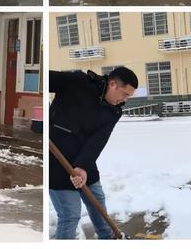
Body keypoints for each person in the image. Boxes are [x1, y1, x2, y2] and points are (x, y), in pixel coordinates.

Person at [49, 66, 138, 239]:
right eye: (125, 94)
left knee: (97, 201)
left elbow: (98, 140)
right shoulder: (77, 82)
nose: (124, 100)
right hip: (56, 161)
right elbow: (46, 81)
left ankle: (107, 237)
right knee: (70, 215)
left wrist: (82, 166)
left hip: (84, 159)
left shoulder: (113, 111)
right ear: (113, 84)